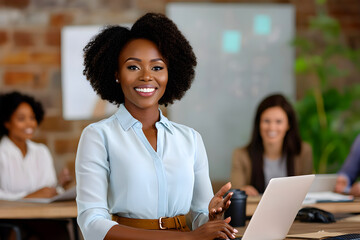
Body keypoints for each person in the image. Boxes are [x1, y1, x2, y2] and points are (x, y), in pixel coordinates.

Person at [76, 13, 238, 240]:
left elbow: (200, 215)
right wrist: (187, 238)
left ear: (169, 74)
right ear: (116, 74)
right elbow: (92, 224)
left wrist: (211, 219)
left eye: (157, 67)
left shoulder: (190, 139)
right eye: (133, 67)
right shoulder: (98, 136)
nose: (146, 77)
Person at [0, 91, 72, 239]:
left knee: (58, 229)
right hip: (9, 220)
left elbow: (48, 190)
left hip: (42, 218)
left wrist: (60, 186)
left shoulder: (41, 152)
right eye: (21, 119)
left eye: (32, 118)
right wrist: (28, 197)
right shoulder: (2, 153)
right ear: (6, 122)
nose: (29, 124)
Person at [231, 93, 313, 196]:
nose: (272, 127)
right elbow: (236, 191)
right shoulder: (241, 155)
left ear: (288, 125)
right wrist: (243, 190)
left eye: (278, 121)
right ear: (258, 123)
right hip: (254, 211)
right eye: (266, 121)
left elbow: (307, 192)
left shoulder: (303, 151)